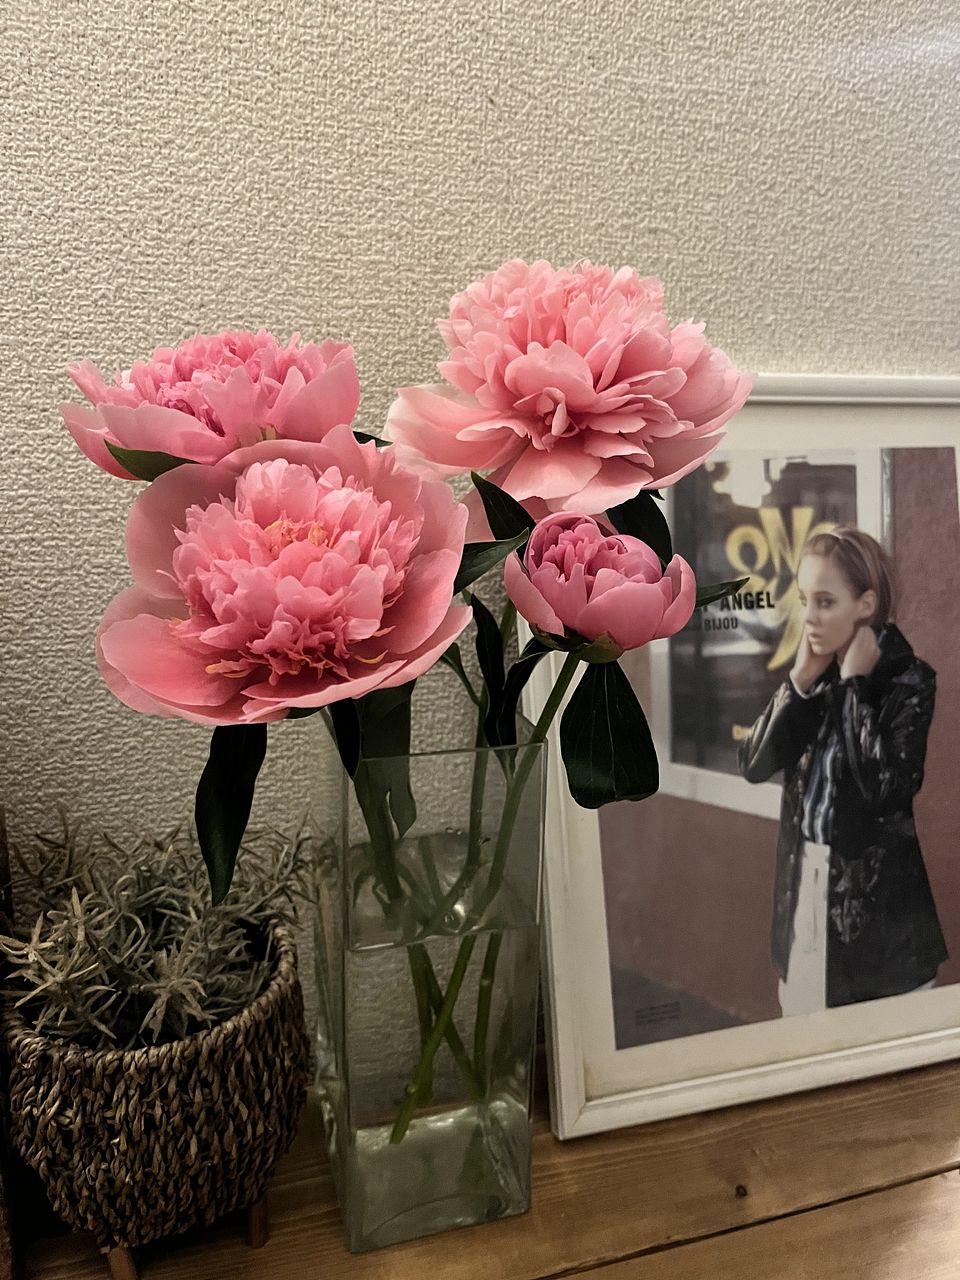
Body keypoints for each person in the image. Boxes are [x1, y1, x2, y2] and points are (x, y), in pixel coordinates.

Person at [738, 526, 947, 1014]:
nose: (808, 616)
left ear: (866, 604)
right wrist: (799, 682)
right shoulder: (816, 676)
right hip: (804, 891)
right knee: (802, 1031)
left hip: (878, 920)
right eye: (804, 600)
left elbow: (885, 791)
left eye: (825, 602)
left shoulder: (909, 681)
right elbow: (753, 765)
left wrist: (853, 687)